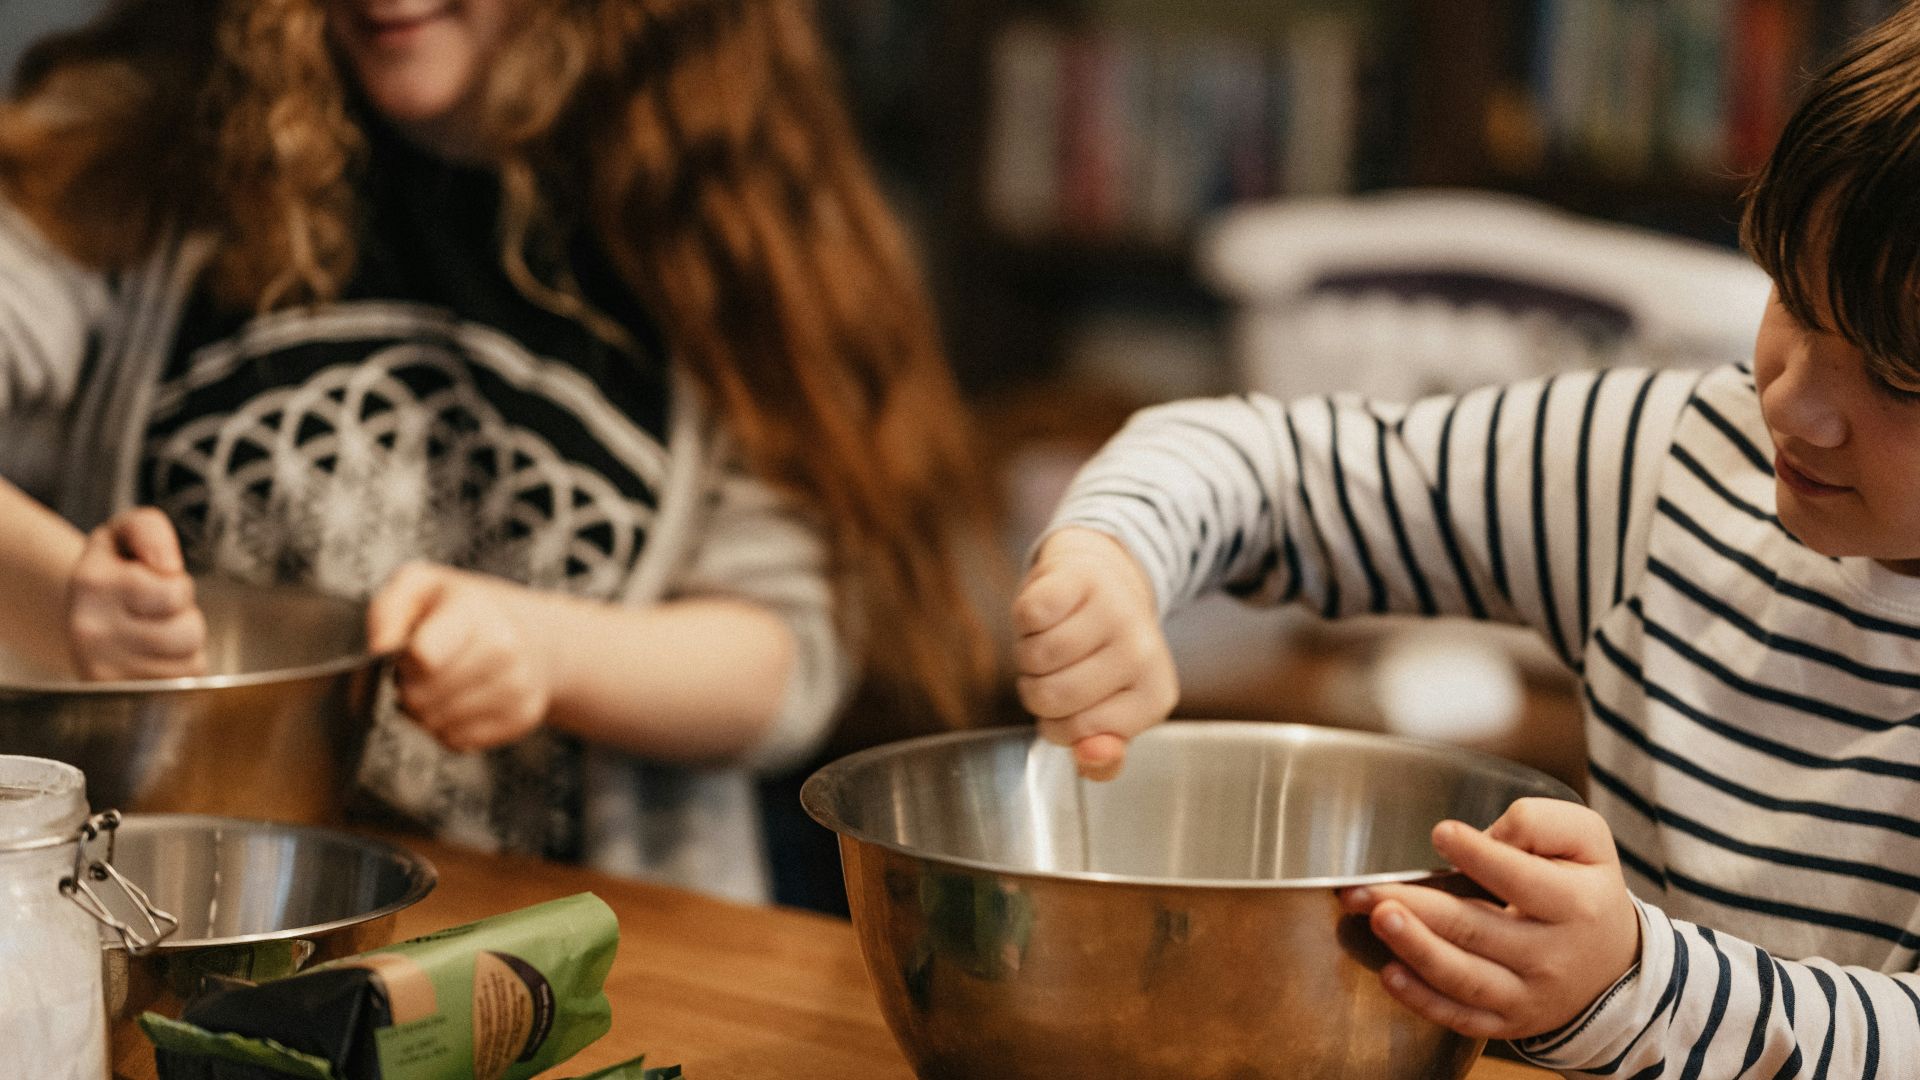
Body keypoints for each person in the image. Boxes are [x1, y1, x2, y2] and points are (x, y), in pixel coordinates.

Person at [1014, 7, 1920, 1074]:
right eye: (1795, 304)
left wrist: (1636, 985)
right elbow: (1263, 463)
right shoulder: (1668, 462)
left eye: (1900, 376)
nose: (1795, 403)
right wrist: (1112, 558)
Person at [0, 0, 993, 902]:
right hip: (157, 915)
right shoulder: (141, 139)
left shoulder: (717, 197)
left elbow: (785, 662)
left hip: (588, 958)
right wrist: (61, 592)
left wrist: (549, 652)